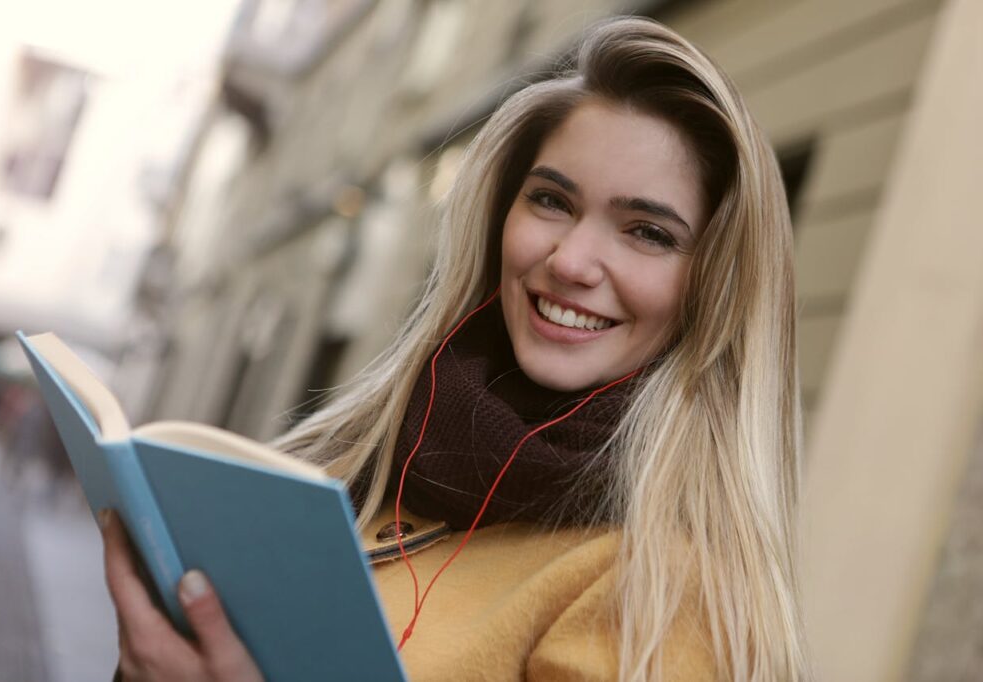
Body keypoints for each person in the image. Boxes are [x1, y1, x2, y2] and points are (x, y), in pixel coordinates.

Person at [100, 16, 811, 681]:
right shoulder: (361, 462)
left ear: (714, 290)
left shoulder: (668, 591)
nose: (571, 261)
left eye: (648, 233)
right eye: (552, 201)